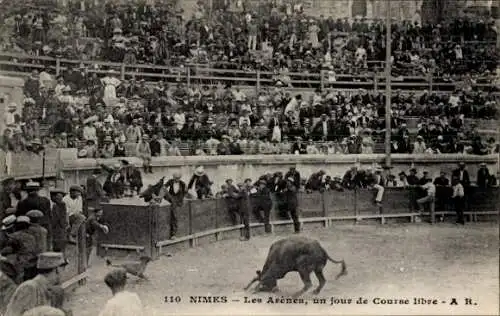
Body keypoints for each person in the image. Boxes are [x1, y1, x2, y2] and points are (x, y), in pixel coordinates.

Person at [4, 252, 67, 316]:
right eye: (63, 268)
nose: (64, 271)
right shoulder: (29, 287)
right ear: (57, 269)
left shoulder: (46, 288)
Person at [2, 216, 38, 281]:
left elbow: (7, 248)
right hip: (33, 260)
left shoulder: (14, 236)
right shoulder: (32, 236)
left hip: (22, 261)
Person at [159, 173, 186, 240]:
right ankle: (158, 199)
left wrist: (179, 202)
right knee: (163, 188)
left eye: (178, 178)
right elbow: (164, 186)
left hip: (177, 200)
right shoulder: (170, 181)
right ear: (173, 178)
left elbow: (184, 194)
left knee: (174, 215)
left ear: (180, 178)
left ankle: (173, 234)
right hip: (171, 197)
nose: (176, 179)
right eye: (175, 178)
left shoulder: (182, 184)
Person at [49, 189, 68, 256]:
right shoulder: (59, 204)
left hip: (58, 227)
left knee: (59, 243)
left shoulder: (59, 205)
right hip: (60, 227)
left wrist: (52, 225)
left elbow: (57, 218)